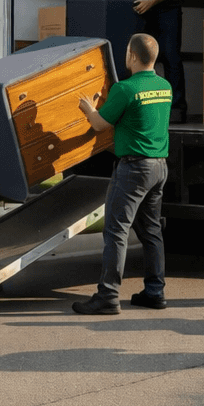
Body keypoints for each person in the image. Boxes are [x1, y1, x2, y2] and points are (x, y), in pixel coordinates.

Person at [72, 33, 171, 314]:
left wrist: (88, 108)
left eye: (127, 52)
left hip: (133, 168)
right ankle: (155, 292)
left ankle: (107, 296)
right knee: (152, 231)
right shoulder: (165, 86)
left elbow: (100, 125)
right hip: (159, 166)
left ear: (133, 57)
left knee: (116, 231)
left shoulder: (125, 89)